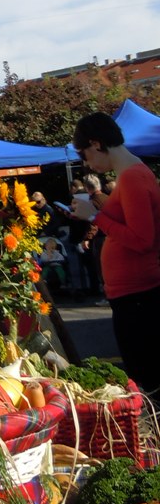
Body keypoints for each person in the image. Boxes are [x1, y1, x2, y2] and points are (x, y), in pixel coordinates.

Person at [71, 112, 160, 398]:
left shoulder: (132, 176)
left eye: (84, 153)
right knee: (147, 376)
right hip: (136, 296)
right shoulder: (134, 173)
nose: (87, 163)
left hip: (138, 297)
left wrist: (96, 216)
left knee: (147, 379)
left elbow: (141, 239)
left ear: (96, 144)